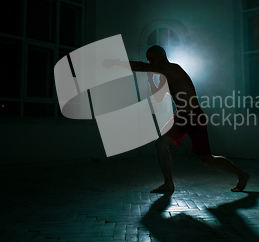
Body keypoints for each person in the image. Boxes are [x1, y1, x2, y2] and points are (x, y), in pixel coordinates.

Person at [103, 45, 250, 193]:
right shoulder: (163, 76)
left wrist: (117, 62)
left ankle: (242, 175)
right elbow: (159, 97)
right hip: (181, 116)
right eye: (149, 60)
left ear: (161, 56)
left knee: (207, 159)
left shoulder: (173, 69)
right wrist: (150, 78)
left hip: (194, 116)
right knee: (160, 144)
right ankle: (168, 184)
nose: (150, 63)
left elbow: (140, 66)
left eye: (152, 59)